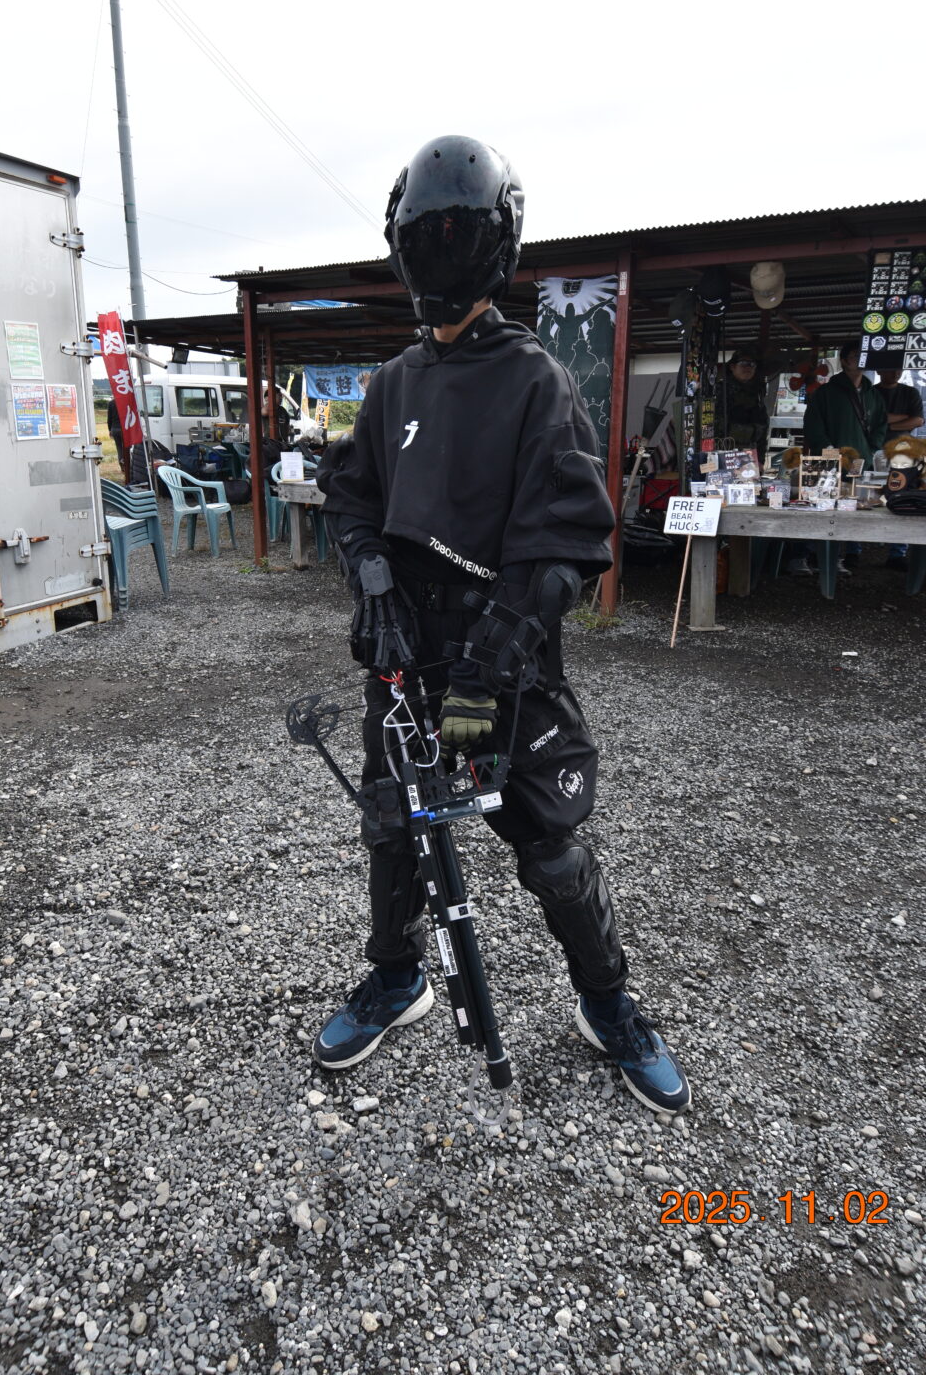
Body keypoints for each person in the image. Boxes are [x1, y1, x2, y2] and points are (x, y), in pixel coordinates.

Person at [312, 135, 690, 1115]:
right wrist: (371, 581)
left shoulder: (535, 381)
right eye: (422, 240)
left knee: (550, 849)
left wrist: (490, 660)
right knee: (393, 826)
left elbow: (563, 541)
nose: (437, 257)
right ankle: (397, 978)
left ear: (491, 248)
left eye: (455, 237)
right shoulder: (392, 382)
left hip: (500, 664)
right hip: (405, 660)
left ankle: (607, 1005)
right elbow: (351, 499)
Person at [801, 340, 888, 574]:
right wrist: (828, 449)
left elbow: (881, 424)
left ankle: (850, 554)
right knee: (824, 506)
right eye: (854, 356)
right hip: (828, 460)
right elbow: (813, 424)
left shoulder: (873, 394)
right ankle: (816, 554)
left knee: (856, 505)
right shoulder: (826, 392)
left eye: (863, 356)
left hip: (862, 460)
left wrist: (872, 449)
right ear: (843, 361)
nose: (859, 361)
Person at [876, 367, 925, 569]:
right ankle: (854, 551)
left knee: (903, 497)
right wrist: (903, 419)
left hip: (903, 452)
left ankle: (897, 553)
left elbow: (918, 420)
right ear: (879, 370)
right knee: (864, 495)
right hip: (873, 449)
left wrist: (885, 424)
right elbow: (871, 418)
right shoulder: (872, 392)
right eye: (890, 369)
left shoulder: (910, 392)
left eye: (899, 369)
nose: (895, 372)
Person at [720, 347, 770, 459]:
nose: (748, 367)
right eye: (743, 363)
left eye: (752, 364)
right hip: (724, 452)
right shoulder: (720, 391)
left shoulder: (756, 392)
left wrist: (760, 460)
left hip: (749, 455)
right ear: (732, 367)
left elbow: (763, 429)